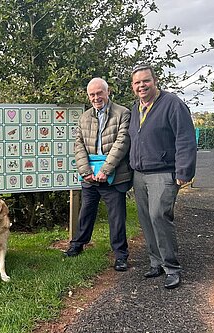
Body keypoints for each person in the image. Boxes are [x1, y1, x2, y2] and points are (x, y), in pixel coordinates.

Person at [129, 64, 197, 289]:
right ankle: (155, 262)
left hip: (163, 172)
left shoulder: (172, 104)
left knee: (159, 215)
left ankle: (172, 267)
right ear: (133, 86)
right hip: (139, 174)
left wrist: (184, 171)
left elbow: (185, 139)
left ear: (154, 81)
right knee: (146, 219)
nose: (142, 86)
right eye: (137, 82)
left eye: (145, 81)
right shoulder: (135, 109)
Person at [64, 77, 132, 272]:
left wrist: (105, 170)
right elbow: (79, 146)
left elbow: (122, 143)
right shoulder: (84, 117)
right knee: (85, 212)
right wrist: (85, 172)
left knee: (116, 217)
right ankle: (77, 245)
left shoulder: (123, 113)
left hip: (114, 176)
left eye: (99, 93)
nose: (96, 98)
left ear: (107, 91)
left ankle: (120, 255)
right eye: (92, 95)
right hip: (90, 176)